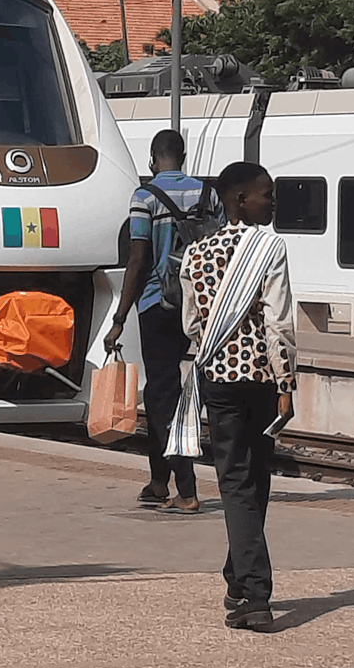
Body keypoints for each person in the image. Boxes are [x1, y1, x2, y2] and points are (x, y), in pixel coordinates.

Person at [171, 161, 295, 630]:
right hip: (261, 378)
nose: (273, 201)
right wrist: (286, 383)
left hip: (218, 380)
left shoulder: (195, 253)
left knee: (238, 480)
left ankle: (242, 580)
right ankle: (255, 591)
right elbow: (278, 322)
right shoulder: (269, 247)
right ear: (240, 200)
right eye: (267, 194)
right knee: (255, 477)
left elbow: (191, 324)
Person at [104, 129, 223, 512]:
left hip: (158, 305)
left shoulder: (145, 197)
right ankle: (158, 482)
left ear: (153, 160)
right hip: (201, 307)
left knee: (162, 397)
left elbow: (138, 258)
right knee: (167, 394)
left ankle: (186, 490)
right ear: (183, 158)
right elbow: (223, 249)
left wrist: (120, 317)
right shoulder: (208, 195)